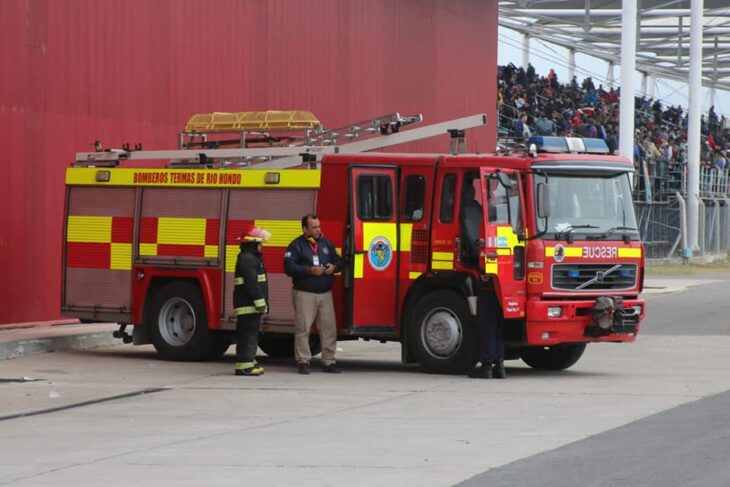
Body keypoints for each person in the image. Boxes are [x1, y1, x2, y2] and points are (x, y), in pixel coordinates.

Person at [284, 214, 343, 374]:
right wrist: (309, 270)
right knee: (303, 328)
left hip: (325, 293)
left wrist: (334, 267)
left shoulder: (326, 243)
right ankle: (303, 361)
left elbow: (339, 261)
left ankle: (329, 362)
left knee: (329, 329)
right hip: (305, 293)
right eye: (314, 227)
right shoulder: (296, 246)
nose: (318, 230)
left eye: (319, 226)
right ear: (305, 229)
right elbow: (288, 268)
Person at [233, 226, 271, 376]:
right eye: (260, 243)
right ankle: (245, 366)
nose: (261, 247)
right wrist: (261, 304)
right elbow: (252, 284)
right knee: (248, 335)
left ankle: (249, 360)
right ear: (252, 244)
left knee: (250, 334)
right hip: (247, 305)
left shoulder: (250, 258)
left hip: (249, 305)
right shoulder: (247, 259)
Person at [467, 287, 506, 379]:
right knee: (498, 328)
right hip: (503, 289)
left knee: (487, 326)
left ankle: (486, 367)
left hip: (488, 287)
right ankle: (499, 366)